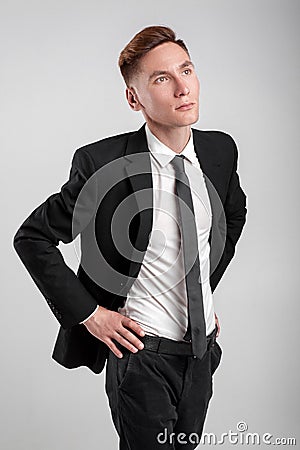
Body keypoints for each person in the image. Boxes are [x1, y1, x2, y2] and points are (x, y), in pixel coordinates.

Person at [13, 26, 247, 449]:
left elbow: (232, 215)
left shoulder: (219, 152)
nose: (182, 88)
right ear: (133, 98)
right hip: (142, 359)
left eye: (187, 70)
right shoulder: (103, 165)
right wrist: (90, 314)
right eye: (161, 79)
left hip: (200, 354)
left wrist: (202, 293)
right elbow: (32, 238)